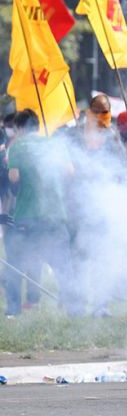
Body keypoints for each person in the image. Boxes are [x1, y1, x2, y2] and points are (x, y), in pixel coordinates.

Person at [3, 110, 78, 317]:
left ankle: (13, 311)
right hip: (55, 214)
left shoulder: (18, 145)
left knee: (15, 264)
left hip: (28, 214)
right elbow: (70, 171)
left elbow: (14, 176)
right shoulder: (55, 144)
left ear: (18, 129)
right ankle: (74, 309)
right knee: (63, 266)